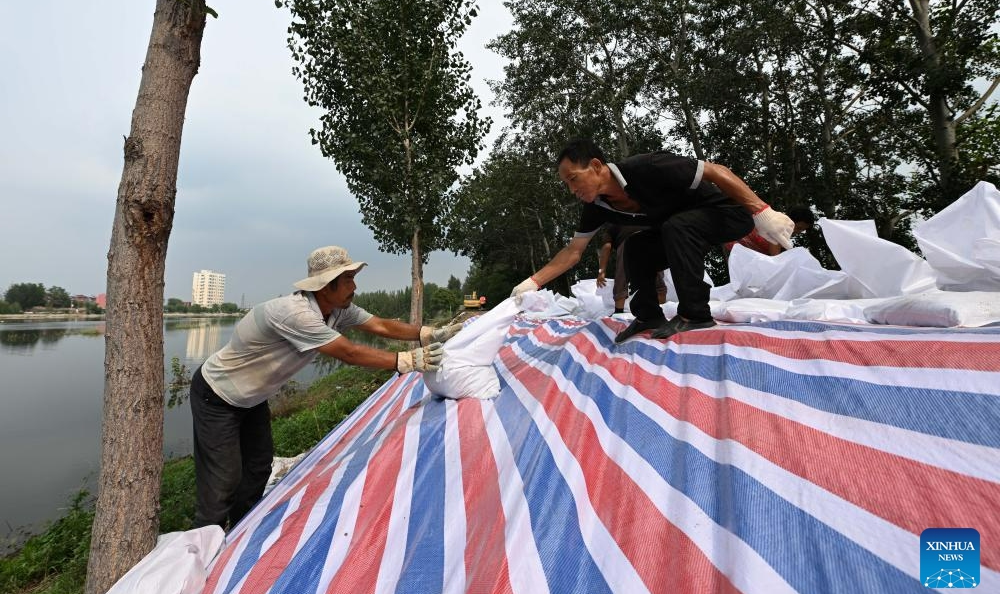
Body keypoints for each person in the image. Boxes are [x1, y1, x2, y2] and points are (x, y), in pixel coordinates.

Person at [190, 245, 462, 530]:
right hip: (218, 395)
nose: (354, 286)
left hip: (252, 397)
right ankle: (204, 547)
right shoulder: (296, 314)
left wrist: (425, 333)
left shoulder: (336, 310)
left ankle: (239, 531)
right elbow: (349, 353)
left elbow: (380, 326)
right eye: (347, 280)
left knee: (258, 467)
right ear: (324, 287)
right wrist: (404, 360)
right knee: (223, 480)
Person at [510, 138, 794, 343]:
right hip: (683, 230)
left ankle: (695, 315)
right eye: (567, 184)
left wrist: (762, 211)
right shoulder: (596, 205)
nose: (571, 189)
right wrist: (531, 283)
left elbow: (716, 171)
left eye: (573, 179)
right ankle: (648, 316)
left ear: (596, 166)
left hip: (727, 213)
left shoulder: (646, 167)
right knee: (634, 246)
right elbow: (573, 252)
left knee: (675, 226)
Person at [596, 224, 666, 314]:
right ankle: (662, 308)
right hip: (650, 237)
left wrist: (601, 272)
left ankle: (618, 312)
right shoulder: (640, 213)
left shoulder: (612, 225)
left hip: (628, 242)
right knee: (656, 276)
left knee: (621, 278)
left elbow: (606, 247)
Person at [723, 206, 816, 256]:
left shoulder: (780, 228)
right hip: (736, 251)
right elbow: (775, 259)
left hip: (738, 251)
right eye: (798, 228)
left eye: (803, 230)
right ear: (791, 220)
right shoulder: (779, 228)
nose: (799, 232)